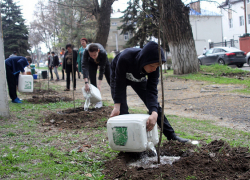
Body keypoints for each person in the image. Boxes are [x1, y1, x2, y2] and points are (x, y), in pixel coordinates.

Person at [110, 41, 189, 143]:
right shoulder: (125, 58)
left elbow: (152, 91)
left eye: (157, 66)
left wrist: (154, 112)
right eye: (153, 66)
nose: (155, 68)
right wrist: (117, 106)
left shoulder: (154, 68)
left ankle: (172, 136)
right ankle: (127, 143)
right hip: (119, 76)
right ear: (145, 60)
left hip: (138, 77)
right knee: (122, 109)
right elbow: (119, 84)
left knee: (155, 107)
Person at [82, 43, 110, 108]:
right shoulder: (85, 52)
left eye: (94, 55)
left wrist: (99, 85)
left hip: (102, 61)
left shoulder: (103, 53)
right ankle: (98, 101)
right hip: (91, 63)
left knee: (110, 79)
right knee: (92, 80)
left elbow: (102, 69)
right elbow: (84, 67)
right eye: (91, 55)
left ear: (98, 51)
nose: (93, 57)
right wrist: (86, 83)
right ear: (88, 52)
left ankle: (117, 100)